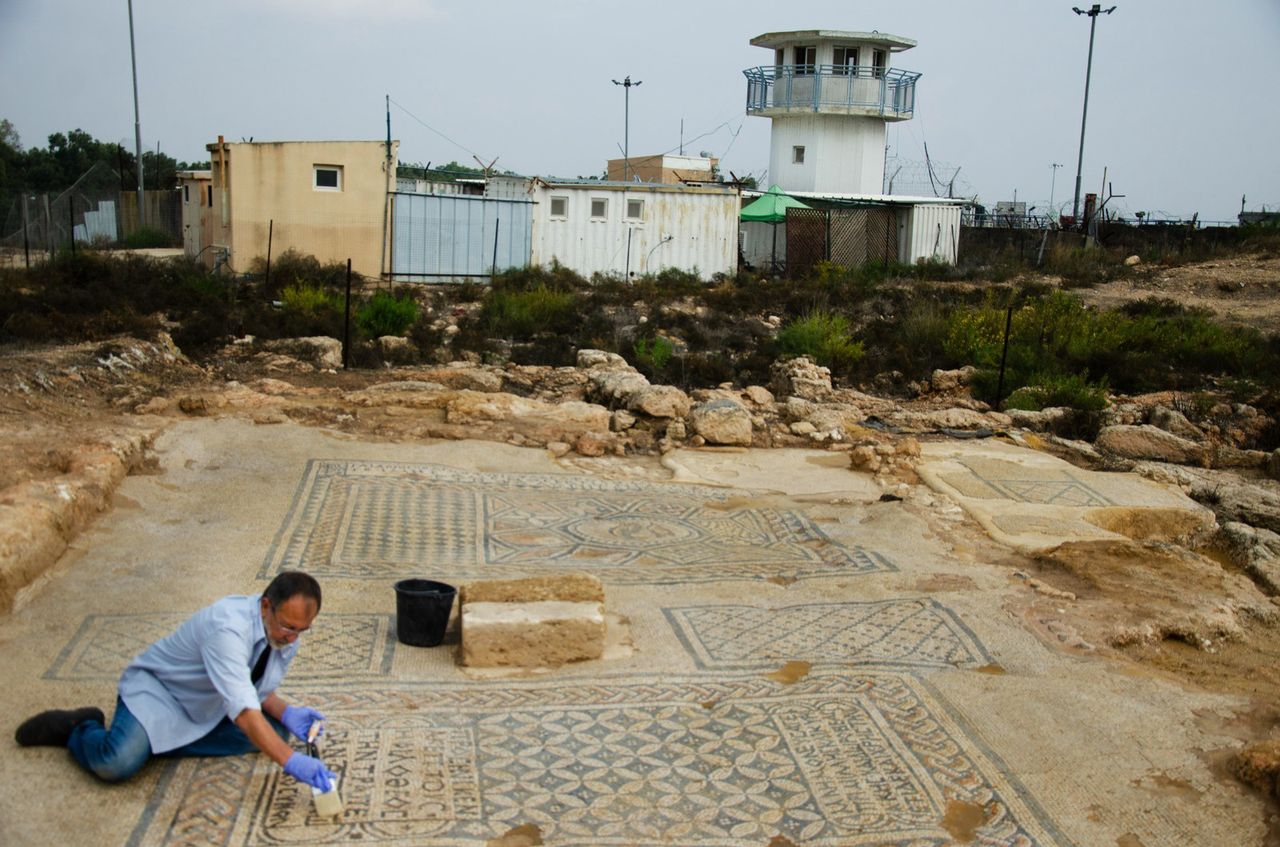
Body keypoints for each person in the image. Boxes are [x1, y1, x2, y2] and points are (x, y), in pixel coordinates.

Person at [15, 571, 335, 792]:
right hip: (160, 693)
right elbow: (243, 707)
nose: (292, 637)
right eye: (288, 626)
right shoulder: (227, 628)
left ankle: (151, 744)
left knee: (275, 732)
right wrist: (290, 761)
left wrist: (286, 712)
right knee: (117, 763)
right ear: (266, 606)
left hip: (207, 704)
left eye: (301, 630)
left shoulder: (284, 632)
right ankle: (80, 728)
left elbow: (254, 687)